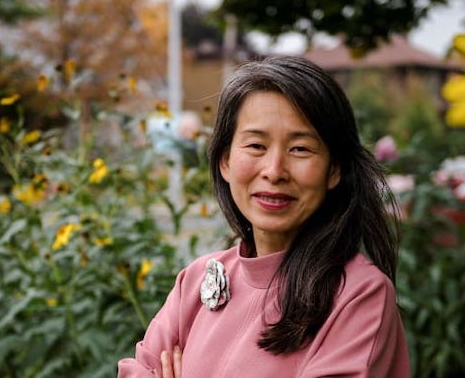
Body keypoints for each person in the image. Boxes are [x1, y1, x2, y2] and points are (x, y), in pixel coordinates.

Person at [118, 56, 410, 377]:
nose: (274, 171)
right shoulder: (198, 280)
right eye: (256, 145)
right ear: (225, 161)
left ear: (334, 169)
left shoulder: (359, 297)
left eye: (300, 149)